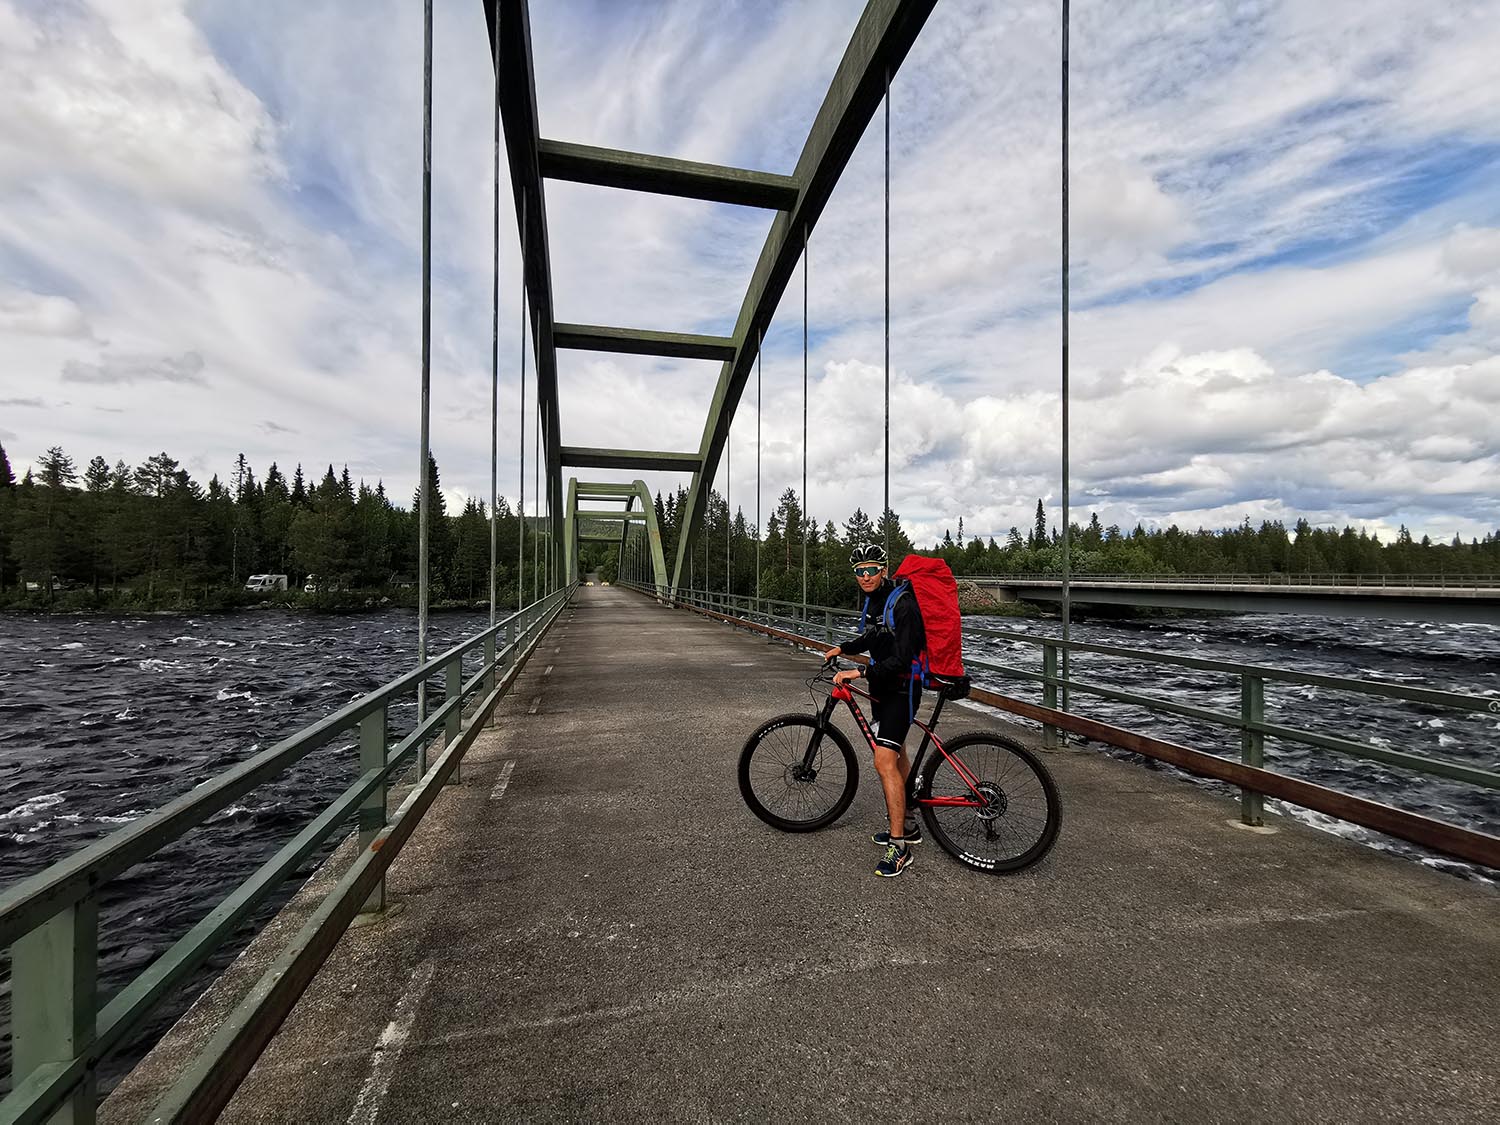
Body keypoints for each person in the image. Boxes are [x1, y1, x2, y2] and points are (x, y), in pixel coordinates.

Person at [823, 542, 925, 878]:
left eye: (871, 569)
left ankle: (899, 847)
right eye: (859, 571)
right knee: (897, 753)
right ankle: (908, 825)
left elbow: (904, 659)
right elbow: (873, 638)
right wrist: (843, 647)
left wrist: (860, 671)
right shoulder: (875, 601)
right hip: (883, 687)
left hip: (902, 688)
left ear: (884, 570)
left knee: (883, 761)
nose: (865, 576)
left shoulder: (903, 602)